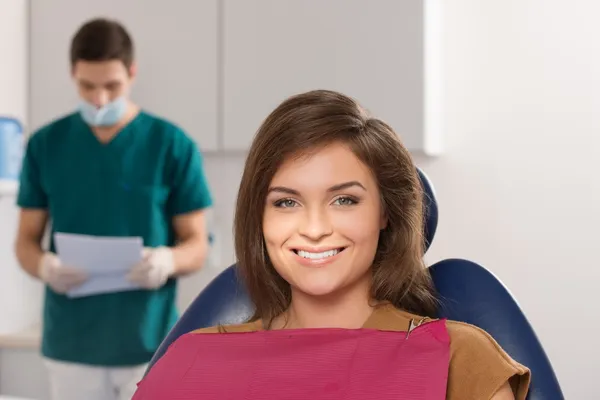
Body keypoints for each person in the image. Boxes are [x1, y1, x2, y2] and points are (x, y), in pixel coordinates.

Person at [132, 90, 531, 399]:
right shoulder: (191, 361)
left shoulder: (461, 359)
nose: (315, 228)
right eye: (287, 202)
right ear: (260, 218)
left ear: (385, 212)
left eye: (344, 200)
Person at [14, 18, 213, 400]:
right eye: (88, 86)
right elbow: (25, 242)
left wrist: (166, 261)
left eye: (112, 86)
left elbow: (198, 246)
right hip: (72, 346)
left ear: (132, 72)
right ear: (73, 74)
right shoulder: (46, 146)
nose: (99, 99)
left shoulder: (170, 145)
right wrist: (44, 266)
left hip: (149, 345)